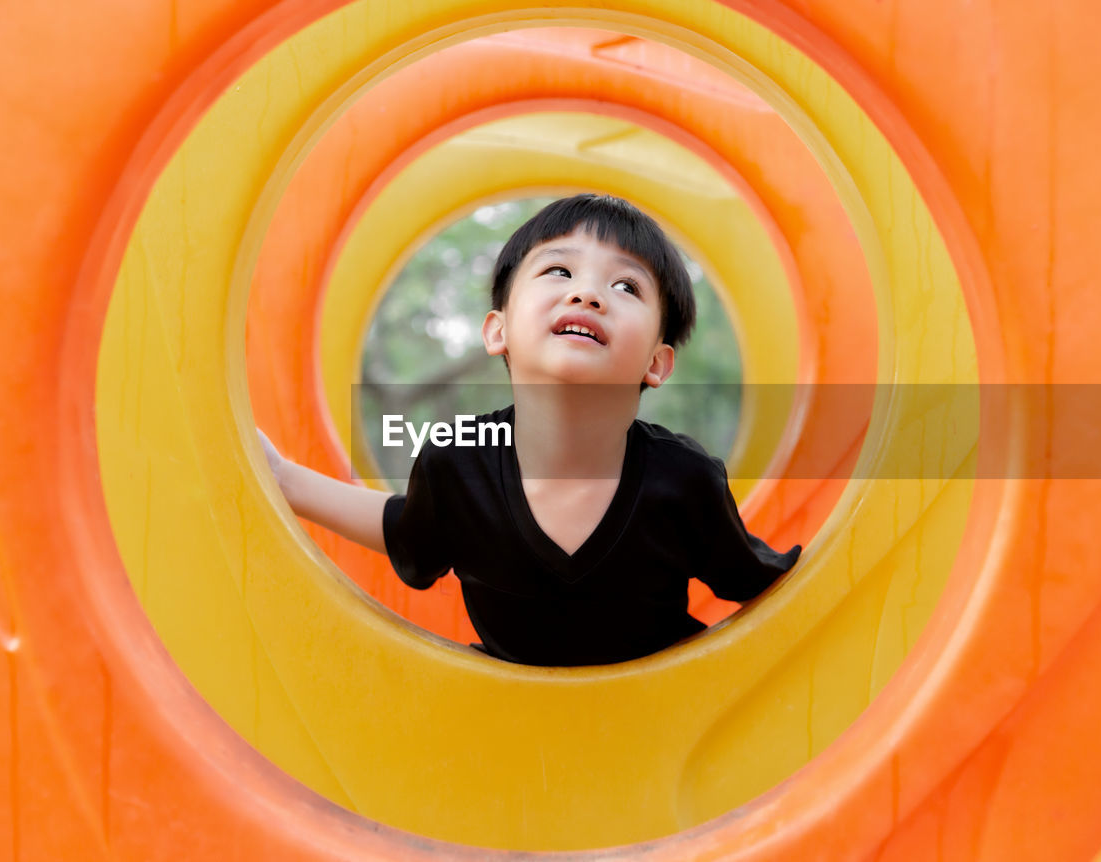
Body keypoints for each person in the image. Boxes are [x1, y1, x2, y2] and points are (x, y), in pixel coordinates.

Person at [259, 193, 802, 667]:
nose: (588, 295)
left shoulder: (684, 480)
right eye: (559, 272)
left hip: (657, 731)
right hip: (508, 728)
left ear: (657, 364)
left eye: (626, 285)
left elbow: (760, 584)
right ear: (498, 331)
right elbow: (407, 531)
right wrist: (283, 480)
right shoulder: (458, 459)